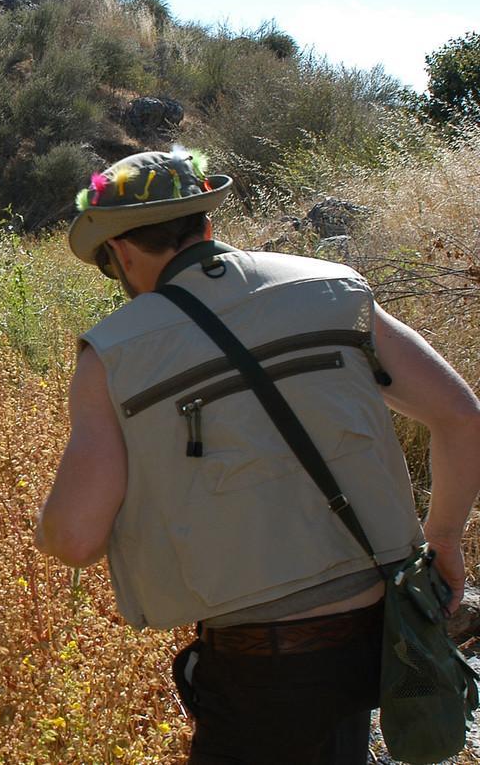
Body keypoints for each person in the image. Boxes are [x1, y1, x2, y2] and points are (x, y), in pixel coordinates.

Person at [32, 149, 480, 764]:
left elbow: (77, 538)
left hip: (261, 664)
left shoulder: (113, 353)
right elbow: (461, 415)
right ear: (206, 227)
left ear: (123, 254)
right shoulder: (333, 287)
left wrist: (48, 528)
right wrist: (446, 538)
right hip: (378, 639)